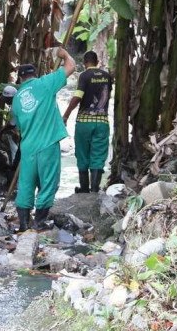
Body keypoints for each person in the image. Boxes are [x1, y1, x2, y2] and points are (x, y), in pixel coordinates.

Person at [12, 48, 76, 232]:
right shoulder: (45, 83)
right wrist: (63, 54)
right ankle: (39, 221)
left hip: (28, 147)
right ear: (34, 74)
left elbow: (18, 127)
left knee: (26, 183)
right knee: (49, 182)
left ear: (21, 78)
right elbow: (71, 66)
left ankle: (24, 223)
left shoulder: (17, 99)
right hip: (47, 144)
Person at [62, 51, 112, 193]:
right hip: (102, 122)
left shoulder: (84, 76)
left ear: (85, 63)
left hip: (84, 122)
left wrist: (66, 115)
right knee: (98, 155)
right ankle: (95, 189)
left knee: (83, 154)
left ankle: (84, 189)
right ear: (97, 62)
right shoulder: (107, 76)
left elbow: (78, 96)